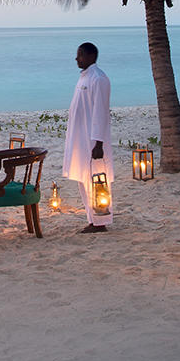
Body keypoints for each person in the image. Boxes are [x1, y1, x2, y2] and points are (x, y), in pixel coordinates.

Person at [62, 41, 113, 233]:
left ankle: (101, 221)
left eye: (80, 54)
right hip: (80, 137)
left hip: (93, 140)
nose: (77, 58)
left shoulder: (98, 79)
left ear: (91, 56)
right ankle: (92, 219)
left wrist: (98, 142)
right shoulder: (85, 77)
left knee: (97, 180)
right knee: (84, 178)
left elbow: (100, 111)